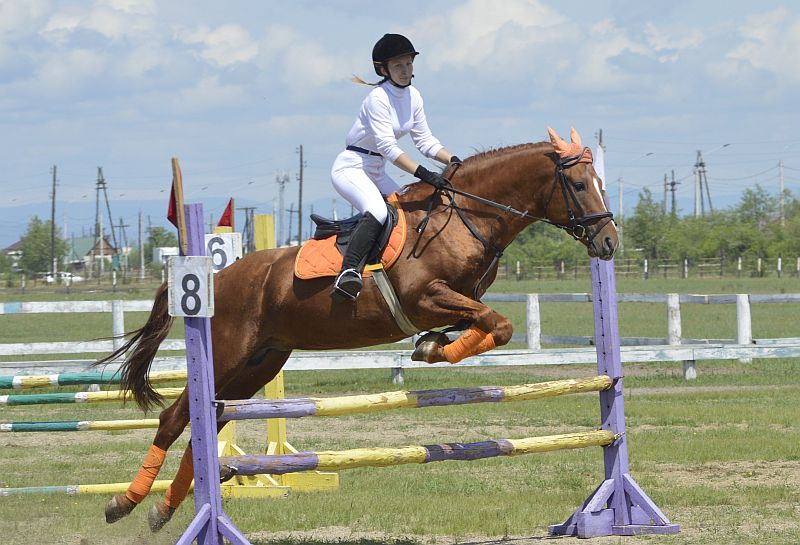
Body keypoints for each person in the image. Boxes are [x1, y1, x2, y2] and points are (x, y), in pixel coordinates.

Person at [330, 33, 460, 302]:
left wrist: (453, 161)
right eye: (398, 65)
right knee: (378, 211)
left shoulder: (414, 96)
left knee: (409, 210)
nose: (405, 70)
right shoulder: (377, 98)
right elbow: (388, 148)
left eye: (408, 64)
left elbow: (425, 141)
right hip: (351, 168)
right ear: (383, 70)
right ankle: (348, 272)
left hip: (376, 170)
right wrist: (424, 174)